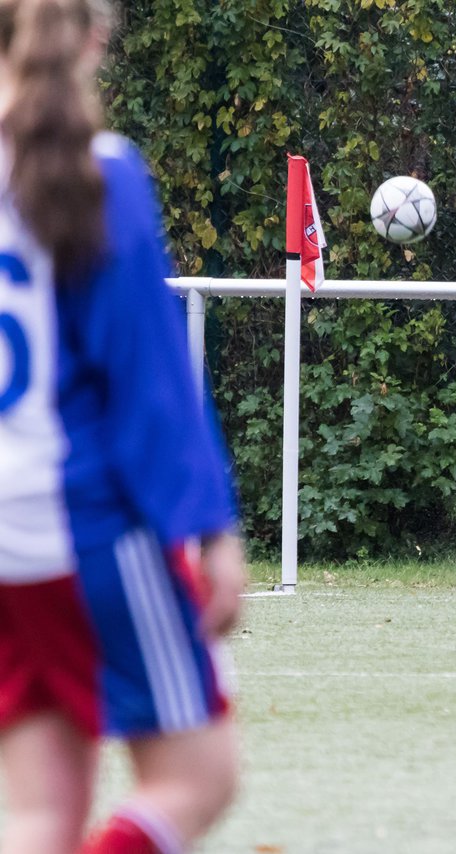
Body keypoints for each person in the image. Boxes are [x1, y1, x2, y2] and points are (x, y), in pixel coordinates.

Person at [0, 1, 246, 852]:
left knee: (41, 816)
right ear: (96, 39)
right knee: (199, 778)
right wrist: (210, 529)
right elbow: (150, 384)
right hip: (86, 527)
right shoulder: (95, 173)